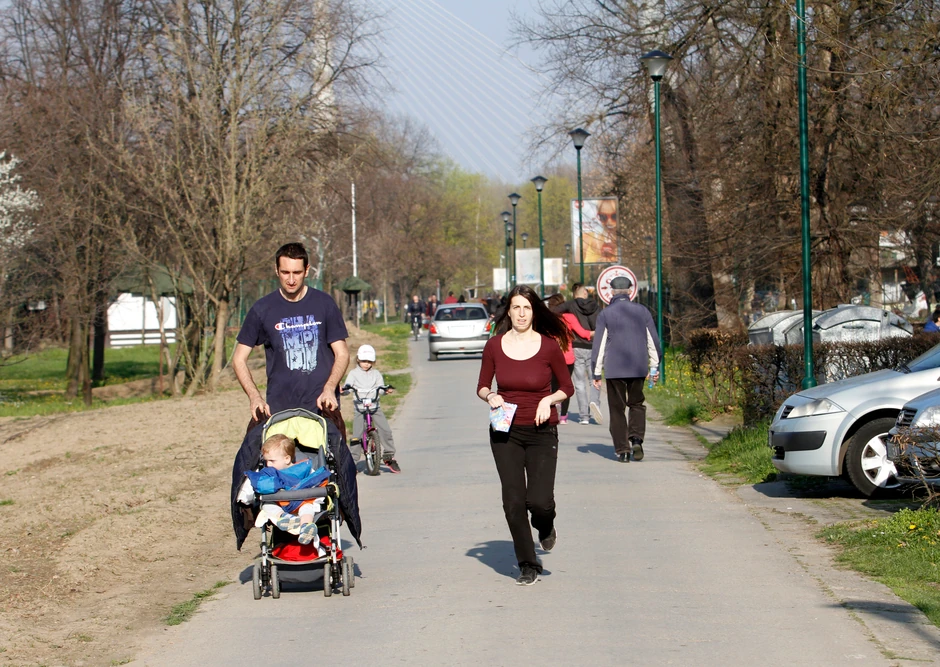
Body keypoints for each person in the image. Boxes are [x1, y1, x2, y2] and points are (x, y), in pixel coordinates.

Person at [476, 284, 573, 586]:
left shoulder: (548, 346)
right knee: (513, 502)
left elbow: (566, 387)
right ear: (509, 310)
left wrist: (548, 400)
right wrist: (490, 396)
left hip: (542, 432)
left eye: (527, 308)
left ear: (534, 311)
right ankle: (527, 563)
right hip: (505, 432)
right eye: (516, 307)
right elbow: (482, 384)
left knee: (540, 502)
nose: (521, 313)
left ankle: (546, 525)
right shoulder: (494, 346)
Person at [233, 242, 349, 423]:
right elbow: (239, 359)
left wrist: (329, 388)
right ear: (276, 270)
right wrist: (254, 397)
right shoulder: (262, 309)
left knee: (339, 451)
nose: (291, 279)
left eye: (297, 273)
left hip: (321, 408)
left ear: (307, 270)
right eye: (286, 272)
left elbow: (342, 354)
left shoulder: (325, 304)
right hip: (280, 411)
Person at [591, 276, 662, 463]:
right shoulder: (642, 311)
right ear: (631, 291)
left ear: (611, 292)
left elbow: (599, 346)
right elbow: (653, 342)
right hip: (638, 366)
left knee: (617, 409)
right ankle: (637, 439)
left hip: (615, 368)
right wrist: (654, 366)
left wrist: (596, 373)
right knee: (637, 404)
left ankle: (622, 450)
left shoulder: (605, 314)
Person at [253, 433, 324, 544]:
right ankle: (285, 518)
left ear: (287, 459)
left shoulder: (303, 468)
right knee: (267, 505)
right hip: (280, 504)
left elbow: (315, 480)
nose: (268, 464)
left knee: (307, 507)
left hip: (301, 501)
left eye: (272, 461)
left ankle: (306, 526)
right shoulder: (269, 474)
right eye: (266, 461)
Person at [343, 344, 401, 473]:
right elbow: (347, 386)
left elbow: (380, 388)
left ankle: (389, 456)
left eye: (369, 362)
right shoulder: (353, 374)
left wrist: (385, 390)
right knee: (357, 436)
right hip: (360, 408)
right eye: (364, 361)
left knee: (386, 431)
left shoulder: (376, 374)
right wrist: (344, 390)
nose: (366, 364)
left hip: (375, 408)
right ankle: (353, 461)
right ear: (358, 359)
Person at [552, 284, 603, 425]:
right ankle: (595, 402)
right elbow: (600, 323)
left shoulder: (571, 305)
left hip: (577, 347)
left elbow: (554, 311)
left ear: (575, 295)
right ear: (586, 294)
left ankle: (584, 417)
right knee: (595, 378)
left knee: (579, 383)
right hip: (593, 346)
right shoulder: (596, 306)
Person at [546, 293, 594, 424]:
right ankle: (563, 417)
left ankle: (554, 411)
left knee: (553, 386)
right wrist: (597, 332)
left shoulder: (547, 319)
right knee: (565, 386)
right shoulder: (569, 318)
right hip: (567, 358)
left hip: (551, 358)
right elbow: (583, 333)